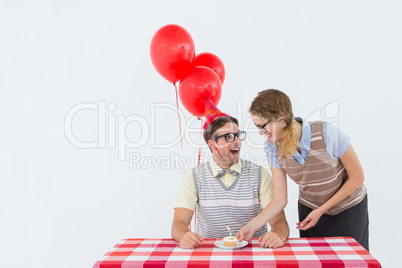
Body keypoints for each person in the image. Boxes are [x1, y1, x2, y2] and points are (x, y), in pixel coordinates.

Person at [236, 89, 369, 251]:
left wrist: (321, 210)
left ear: (280, 116)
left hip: (348, 208)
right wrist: (251, 226)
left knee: (351, 260)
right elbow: (279, 199)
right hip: (311, 212)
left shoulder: (327, 133)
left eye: (262, 126)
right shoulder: (272, 148)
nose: (260, 132)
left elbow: (357, 177)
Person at [171, 102, 289, 249]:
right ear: (212, 144)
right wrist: (184, 236)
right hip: (209, 254)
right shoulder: (194, 177)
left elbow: (280, 222)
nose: (237, 142)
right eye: (229, 137)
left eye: (238, 135)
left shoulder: (259, 174)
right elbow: (178, 224)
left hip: (253, 254)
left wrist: (278, 234)